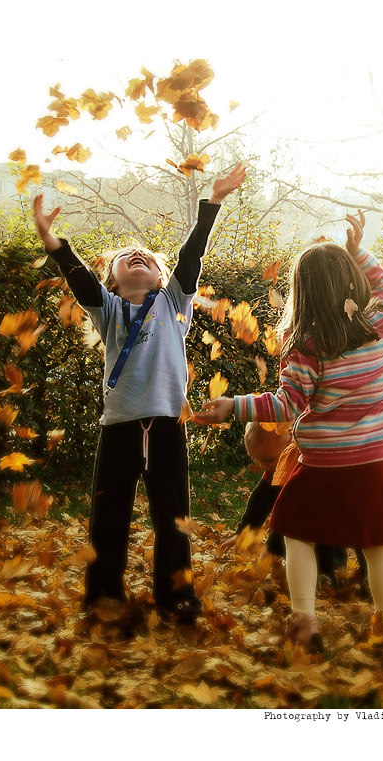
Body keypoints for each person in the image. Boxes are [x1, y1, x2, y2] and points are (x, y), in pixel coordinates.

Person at [32, 163, 246, 625]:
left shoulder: (172, 304)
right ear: (112, 281)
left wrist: (213, 201)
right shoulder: (108, 310)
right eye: (125, 258)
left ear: (159, 277)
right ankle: (103, 594)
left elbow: (190, 259)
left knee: (173, 518)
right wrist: (54, 243)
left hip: (168, 427)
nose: (137, 257)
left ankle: (176, 596)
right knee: (107, 517)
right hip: (120, 431)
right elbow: (80, 281)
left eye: (146, 258)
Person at [196, 210, 383, 649]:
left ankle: (304, 619)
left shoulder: (306, 350)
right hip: (375, 460)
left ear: (303, 295)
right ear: (356, 284)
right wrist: (360, 252)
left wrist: (233, 407)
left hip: (322, 464)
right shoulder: (381, 327)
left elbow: (285, 405)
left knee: (296, 532)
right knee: (378, 545)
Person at [222, 423, 356, 586]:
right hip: (301, 524)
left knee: (322, 529)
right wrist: (243, 531)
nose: (264, 466)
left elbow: (291, 515)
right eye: (257, 460)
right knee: (291, 530)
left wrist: (271, 548)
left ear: (291, 443)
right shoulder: (276, 466)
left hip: (328, 515)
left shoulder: (307, 463)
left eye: (269, 460)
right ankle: (309, 570)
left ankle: (328, 571)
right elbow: (261, 499)